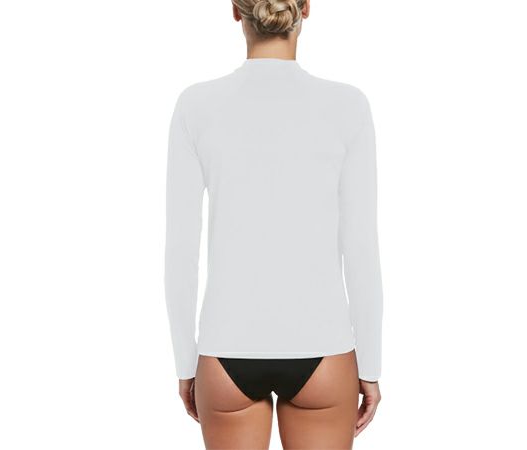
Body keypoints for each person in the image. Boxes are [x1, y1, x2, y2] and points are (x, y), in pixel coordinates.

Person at [164, 0, 383, 448]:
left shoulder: (196, 105)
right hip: (323, 348)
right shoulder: (348, 106)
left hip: (225, 350)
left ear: (235, 11)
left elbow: (180, 252)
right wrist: (372, 367)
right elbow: (361, 247)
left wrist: (186, 364)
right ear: (306, 8)